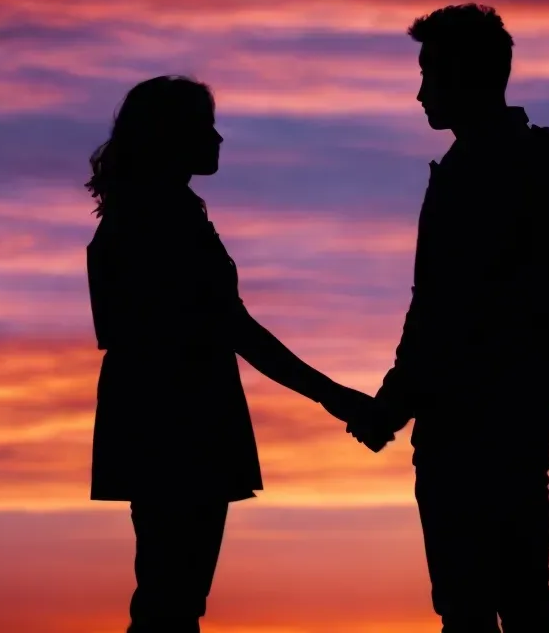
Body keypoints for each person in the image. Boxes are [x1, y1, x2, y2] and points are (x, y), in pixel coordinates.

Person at [351, 5, 549, 633]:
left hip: (468, 414)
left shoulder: (475, 176)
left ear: (469, 77)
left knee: (470, 601)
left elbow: (444, 313)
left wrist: (391, 406)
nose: (419, 93)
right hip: (524, 407)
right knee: (524, 589)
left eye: (430, 75)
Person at [86, 75, 382, 633]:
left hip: (164, 413)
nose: (219, 139)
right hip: (177, 418)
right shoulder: (161, 220)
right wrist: (334, 396)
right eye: (206, 126)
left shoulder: (154, 214)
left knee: (170, 592)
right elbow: (231, 326)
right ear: (172, 136)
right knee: (172, 597)